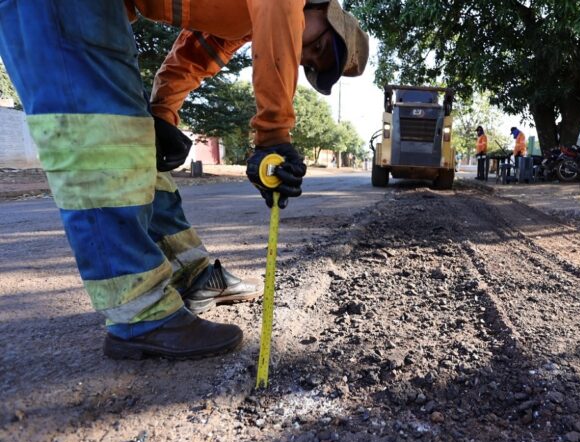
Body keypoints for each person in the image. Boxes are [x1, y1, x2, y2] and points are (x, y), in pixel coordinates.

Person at [0, 0, 368, 360]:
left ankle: (192, 275)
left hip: (99, 10)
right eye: (317, 45)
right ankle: (140, 317)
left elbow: (190, 59)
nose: (302, 51)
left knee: (131, 139)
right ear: (323, 9)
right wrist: (273, 136)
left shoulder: (238, 23)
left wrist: (162, 115)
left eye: (308, 61)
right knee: (100, 142)